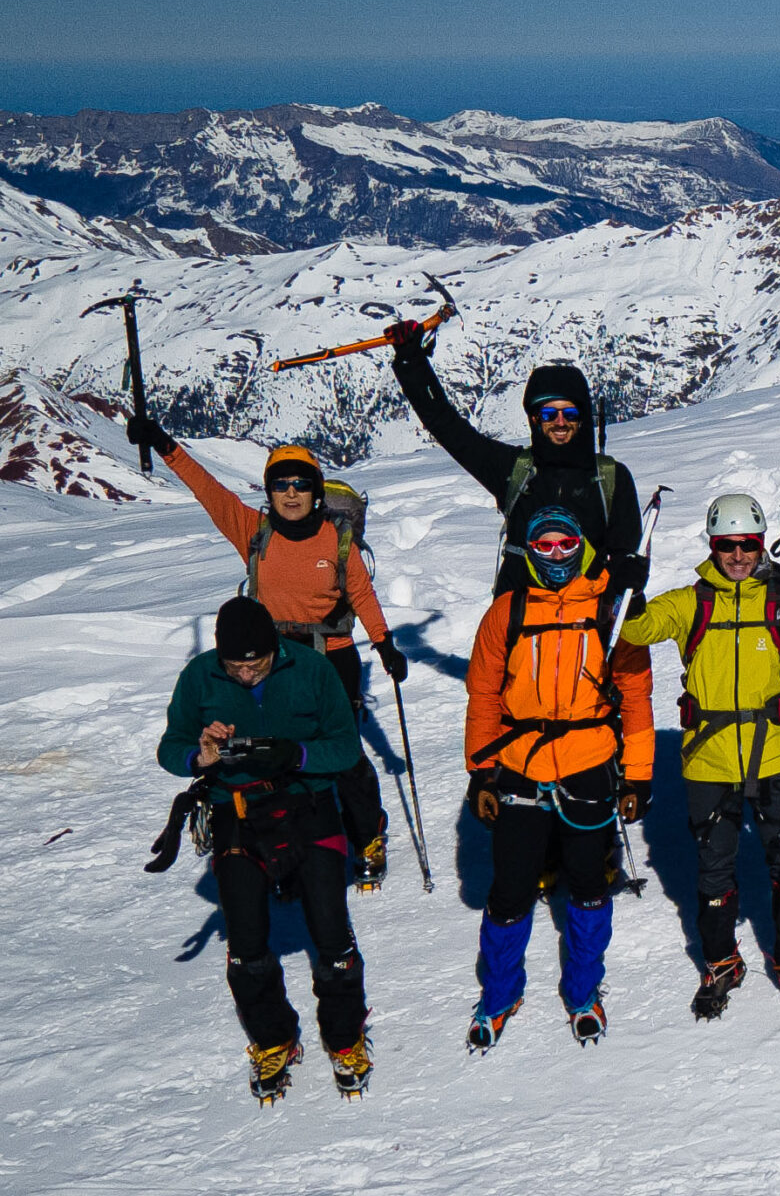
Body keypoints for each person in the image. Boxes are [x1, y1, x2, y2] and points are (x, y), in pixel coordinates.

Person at [126, 418, 404, 889]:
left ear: (316, 491)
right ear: (269, 491)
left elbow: (361, 594)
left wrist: (383, 643)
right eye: (281, 484)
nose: (291, 493)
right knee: (275, 751)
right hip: (271, 660)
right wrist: (165, 445)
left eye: (301, 484)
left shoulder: (338, 541)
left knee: (342, 754)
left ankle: (366, 835)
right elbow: (207, 490)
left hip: (330, 656)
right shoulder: (253, 531)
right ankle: (286, 841)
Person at [619, 493, 780, 1023]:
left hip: (776, 756)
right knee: (714, 868)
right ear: (713, 546)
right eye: (727, 545)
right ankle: (719, 962)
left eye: (748, 545)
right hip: (709, 761)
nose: (737, 555)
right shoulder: (692, 603)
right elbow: (634, 629)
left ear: (761, 545)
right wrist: (629, 587)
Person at [153, 597, 369, 1101]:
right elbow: (169, 748)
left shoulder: (312, 670)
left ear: (275, 649)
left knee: (332, 933)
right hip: (237, 810)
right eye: (236, 666)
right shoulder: (200, 677)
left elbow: (346, 747)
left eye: (257, 663)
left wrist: (297, 754)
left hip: (309, 803)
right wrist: (199, 755)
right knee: (247, 943)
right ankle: (273, 1038)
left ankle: (344, 1037)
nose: (247, 674)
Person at [461, 507, 655, 1050]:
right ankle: (500, 993)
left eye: (564, 545)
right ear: (527, 552)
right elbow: (483, 695)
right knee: (510, 890)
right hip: (519, 762)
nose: (554, 558)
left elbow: (636, 699)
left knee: (589, 885)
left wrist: (638, 777)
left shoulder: (611, 610)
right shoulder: (508, 611)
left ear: (581, 547)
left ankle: (584, 990)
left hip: (590, 759)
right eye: (541, 548)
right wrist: (481, 773)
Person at [386, 330, 645, 596]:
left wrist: (630, 577)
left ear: (582, 418)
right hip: (518, 622)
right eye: (548, 413)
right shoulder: (513, 471)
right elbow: (446, 426)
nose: (560, 422)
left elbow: (624, 555)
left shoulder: (611, 478)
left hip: (588, 622)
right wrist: (411, 361)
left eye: (569, 413)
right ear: (534, 418)